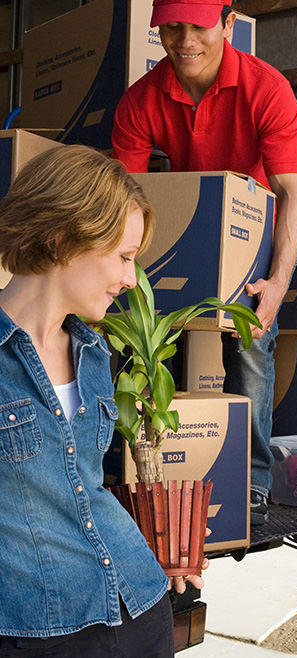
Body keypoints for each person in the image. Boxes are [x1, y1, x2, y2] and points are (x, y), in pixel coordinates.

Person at [112, 0, 297, 524]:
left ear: (227, 23)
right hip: (176, 239)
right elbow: (121, 197)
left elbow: (293, 196)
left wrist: (276, 285)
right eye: (172, 25)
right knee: (130, 339)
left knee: (249, 345)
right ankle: (127, 471)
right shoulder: (140, 100)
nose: (184, 40)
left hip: (247, 246)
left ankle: (252, 483)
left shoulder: (266, 89)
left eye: (199, 25)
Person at [0, 145, 204, 656]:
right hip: (43, 630)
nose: (130, 279)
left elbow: (80, 486)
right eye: (124, 257)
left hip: (138, 601)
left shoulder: (93, 352)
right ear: (64, 240)